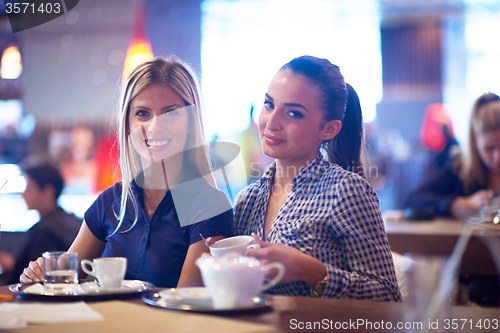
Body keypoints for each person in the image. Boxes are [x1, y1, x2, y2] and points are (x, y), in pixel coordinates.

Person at [20, 56, 234, 288]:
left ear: (191, 124)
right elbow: (60, 283)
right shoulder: (110, 202)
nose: (154, 126)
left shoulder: (210, 207)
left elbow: (184, 305)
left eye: (171, 113)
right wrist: (40, 274)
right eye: (142, 113)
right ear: (128, 124)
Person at [210, 56, 401, 301]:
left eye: (293, 113)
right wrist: (220, 267)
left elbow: (388, 297)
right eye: (269, 105)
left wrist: (312, 272)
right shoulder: (248, 199)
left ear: (328, 129)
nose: (272, 122)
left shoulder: (346, 190)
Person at [405, 92, 500, 220]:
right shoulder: (460, 169)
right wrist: (456, 204)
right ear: (474, 142)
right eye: (489, 149)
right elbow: (413, 200)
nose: (497, 157)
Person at [7, 160, 82, 284]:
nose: (23, 194)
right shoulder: (72, 220)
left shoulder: (45, 232)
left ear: (48, 192)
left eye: (28, 188)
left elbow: (35, 275)